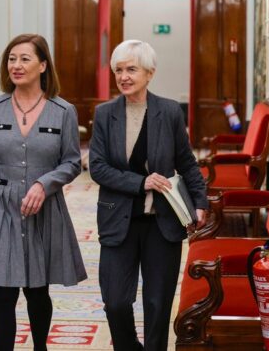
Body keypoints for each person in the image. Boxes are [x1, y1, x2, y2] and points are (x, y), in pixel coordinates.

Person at [0, 34, 86, 351]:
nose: (16, 65)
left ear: (43, 65)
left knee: (37, 290)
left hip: (44, 210)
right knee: (2, 291)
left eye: (25, 59)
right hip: (1, 207)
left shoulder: (63, 111)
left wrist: (45, 184)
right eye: (12, 59)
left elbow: (72, 162)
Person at [89, 40, 208, 351]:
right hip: (118, 220)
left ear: (149, 73)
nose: (124, 76)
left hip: (162, 223)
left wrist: (200, 202)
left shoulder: (169, 112)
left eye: (132, 69)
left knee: (157, 304)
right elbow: (97, 168)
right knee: (115, 301)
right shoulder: (104, 114)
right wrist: (140, 183)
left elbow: (186, 162)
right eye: (119, 70)